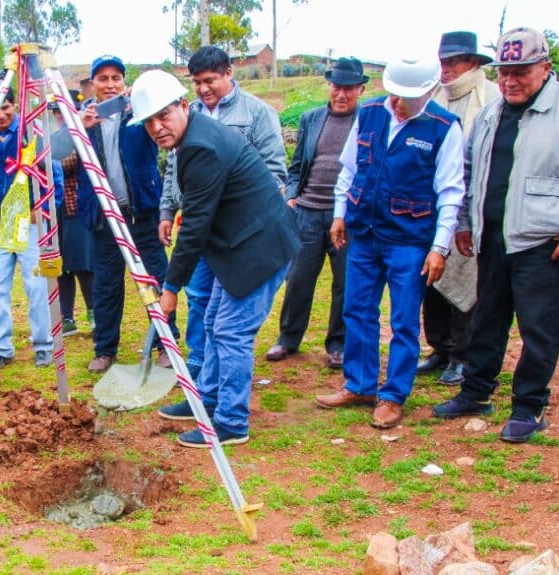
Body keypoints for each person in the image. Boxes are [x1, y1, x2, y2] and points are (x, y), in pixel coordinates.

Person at [433, 28, 559, 442]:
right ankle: (476, 392)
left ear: (545, 68)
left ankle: (529, 406)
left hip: (547, 246)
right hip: (494, 241)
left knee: (540, 329)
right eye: (504, 72)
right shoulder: (491, 114)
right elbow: (468, 173)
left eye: (520, 72)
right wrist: (465, 223)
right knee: (487, 320)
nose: (510, 81)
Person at [130, 70, 297, 447]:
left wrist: (171, 286)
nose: (157, 127)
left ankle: (231, 422)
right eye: (149, 122)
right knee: (213, 323)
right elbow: (198, 217)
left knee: (231, 332)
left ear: (182, 106)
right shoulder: (193, 138)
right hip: (238, 243)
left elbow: (196, 225)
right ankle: (206, 399)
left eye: (164, 115)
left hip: (260, 247)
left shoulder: (201, 147)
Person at [314, 56, 465, 430]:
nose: (398, 103)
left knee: (403, 320)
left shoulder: (444, 128)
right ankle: (360, 384)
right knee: (357, 310)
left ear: (430, 91)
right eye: (395, 94)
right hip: (363, 233)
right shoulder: (370, 115)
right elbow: (350, 168)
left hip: (409, 241)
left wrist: (439, 247)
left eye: (408, 97)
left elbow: (450, 191)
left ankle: (393, 395)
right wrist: (339, 213)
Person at [158, 46, 287, 379]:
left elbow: (273, 172)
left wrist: (235, 211)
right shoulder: (184, 115)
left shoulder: (256, 113)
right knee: (202, 302)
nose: (203, 89)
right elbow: (174, 169)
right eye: (197, 82)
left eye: (210, 80)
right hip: (201, 232)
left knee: (229, 322)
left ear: (229, 74)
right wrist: (168, 209)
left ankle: (223, 397)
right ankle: (201, 377)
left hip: (237, 236)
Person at [77, 54, 178, 373]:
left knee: (156, 279)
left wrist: (141, 110)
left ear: (124, 81)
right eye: (103, 79)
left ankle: (166, 343)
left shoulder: (139, 111)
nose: (110, 85)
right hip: (104, 217)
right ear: (92, 84)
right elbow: (58, 155)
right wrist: (83, 129)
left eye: (116, 78)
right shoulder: (82, 120)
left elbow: (163, 139)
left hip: (142, 213)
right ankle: (105, 349)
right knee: (106, 284)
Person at [265, 58, 368, 369]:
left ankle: (338, 344)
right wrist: (293, 195)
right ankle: (288, 338)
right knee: (298, 279)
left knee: (345, 282)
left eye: (348, 88)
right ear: (329, 86)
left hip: (345, 218)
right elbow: (296, 166)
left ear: (360, 89)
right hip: (308, 212)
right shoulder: (311, 119)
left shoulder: (368, 121)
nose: (341, 94)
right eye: (337, 86)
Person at [417, 31, 501, 385]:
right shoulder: (432, 98)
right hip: (431, 204)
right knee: (431, 279)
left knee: (467, 278)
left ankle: (462, 354)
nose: (446, 69)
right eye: (442, 62)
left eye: (453, 62)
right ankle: (439, 346)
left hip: (471, 205)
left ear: (473, 63)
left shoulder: (491, 99)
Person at [0, 81, 58, 370]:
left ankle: (44, 345)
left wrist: (40, 208)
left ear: (15, 105)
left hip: (27, 225)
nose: (1, 114)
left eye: (6, 107)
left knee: (37, 285)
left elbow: (53, 174)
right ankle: (1, 349)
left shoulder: (32, 133)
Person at [50, 99, 95, 336]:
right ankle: (66, 317)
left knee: (83, 264)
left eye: (62, 111)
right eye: (55, 112)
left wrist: (51, 158)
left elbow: (65, 163)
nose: (58, 115)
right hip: (57, 209)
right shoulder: (56, 138)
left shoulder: (80, 135)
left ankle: (93, 312)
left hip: (78, 207)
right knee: (61, 265)